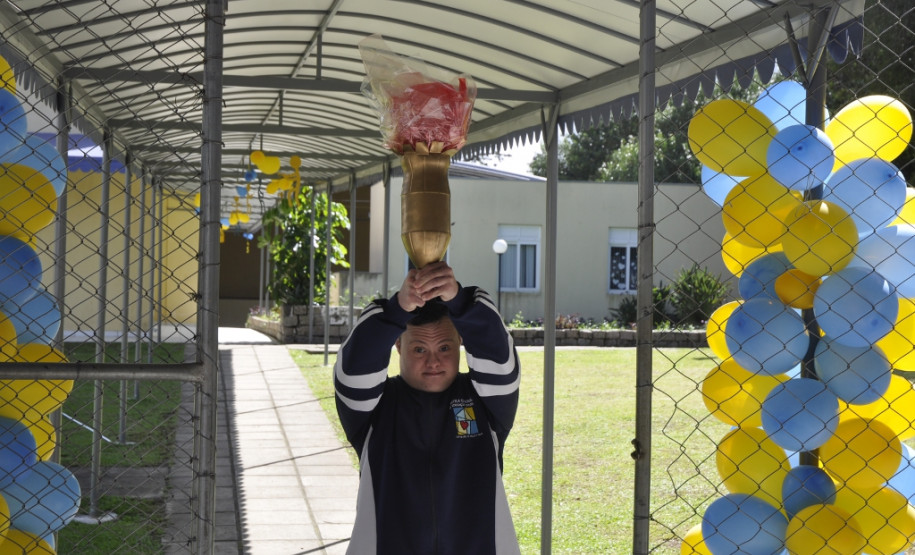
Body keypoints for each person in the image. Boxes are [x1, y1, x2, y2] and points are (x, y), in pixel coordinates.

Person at [334, 261, 521, 554]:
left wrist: (459, 299)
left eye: (444, 348)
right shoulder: (374, 408)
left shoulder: (487, 402)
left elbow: (499, 353)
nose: (433, 362)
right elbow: (353, 366)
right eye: (419, 349)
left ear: (461, 340)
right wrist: (397, 308)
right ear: (397, 344)